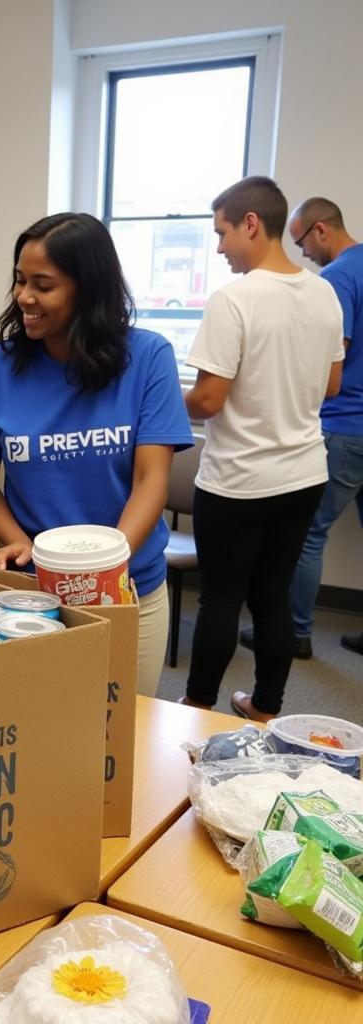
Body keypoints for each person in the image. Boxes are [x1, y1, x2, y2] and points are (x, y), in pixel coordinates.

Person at [0, 213, 192, 697]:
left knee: (125, 731)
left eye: (43, 285)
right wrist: (17, 540)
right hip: (32, 597)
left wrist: (105, 566)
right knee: (39, 728)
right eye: (20, 280)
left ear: (88, 290)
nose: (24, 297)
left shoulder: (147, 358)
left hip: (129, 591)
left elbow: (151, 480)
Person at [181, 177, 344, 722]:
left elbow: (206, 399)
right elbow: (332, 386)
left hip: (239, 480)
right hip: (303, 474)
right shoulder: (324, 292)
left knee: (221, 599)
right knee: (272, 597)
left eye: (222, 232)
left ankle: (198, 706)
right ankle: (266, 708)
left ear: (251, 223)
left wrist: (155, 401)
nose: (220, 246)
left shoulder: (235, 298)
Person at [238, 197, 363, 660]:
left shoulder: (336, 279)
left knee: (310, 534)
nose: (303, 253)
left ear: (322, 229)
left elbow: (332, 369)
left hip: (345, 423)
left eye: (302, 241)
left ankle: (298, 633)